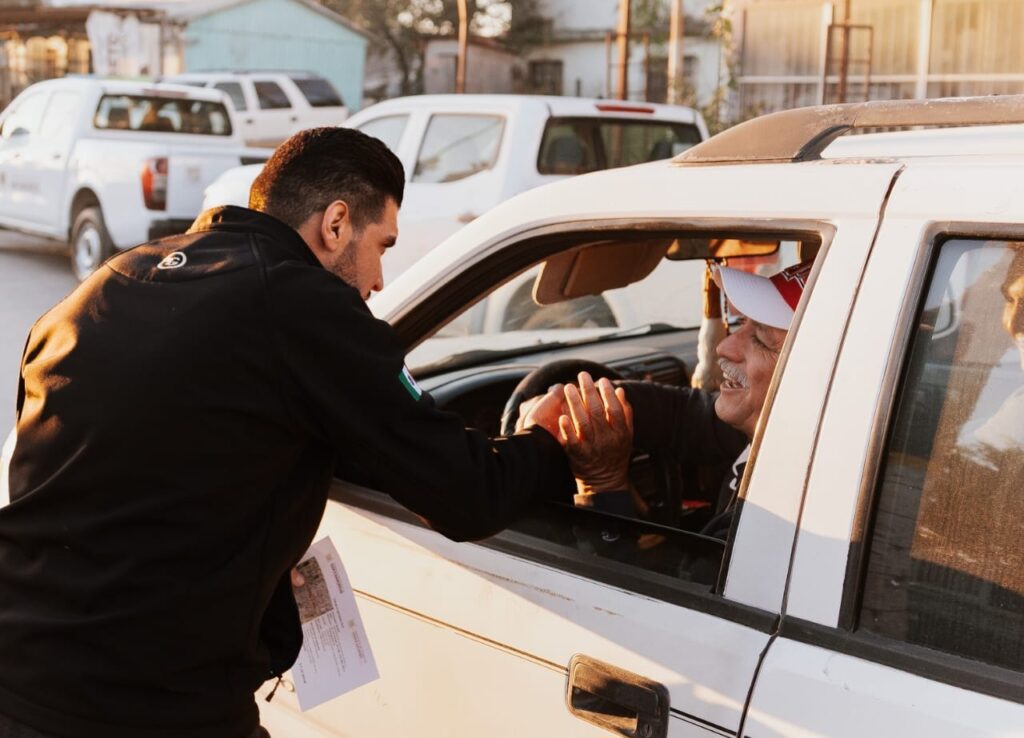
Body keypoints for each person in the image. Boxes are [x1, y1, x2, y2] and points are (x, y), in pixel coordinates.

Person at [0, 128, 570, 738]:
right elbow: (468, 492)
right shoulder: (306, 305)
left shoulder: (103, 285)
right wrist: (551, 442)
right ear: (336, 223)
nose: (379, 280)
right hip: (152, 709)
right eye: (383, 245)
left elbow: (78, 469)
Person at [529, 259, 814, 540]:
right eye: (742, 324)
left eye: (761, 341)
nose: (725, 347)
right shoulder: (784, 431)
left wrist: (602, 484)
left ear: (818, 376)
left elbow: (646, 586)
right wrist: (581, 403)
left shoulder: (777, 517)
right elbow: (684, 415)